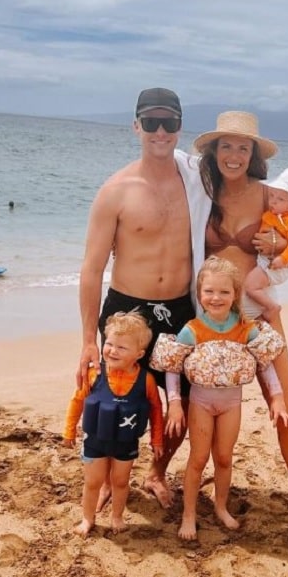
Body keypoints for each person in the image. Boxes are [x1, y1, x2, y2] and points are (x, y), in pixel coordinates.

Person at [194, 110, 288, 531]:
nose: (234, 155)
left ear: (253, 154)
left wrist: (276, 242)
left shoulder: (269, 194)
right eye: (227, 146)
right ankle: (160, 475)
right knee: (195, 404)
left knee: (284, 403)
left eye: (243, 147)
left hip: (255, 311)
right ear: (215, 151)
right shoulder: (201, 191)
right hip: (210, 311)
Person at [77, 87, 208, 511]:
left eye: (168, 122)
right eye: (150, 122)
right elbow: (92, 269)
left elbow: (248, 194)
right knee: (115, 402)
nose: (160, 131)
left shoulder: (197, 185)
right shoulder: (116, 190)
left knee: (179, 402)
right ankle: (107, 485)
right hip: (126, 310)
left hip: (180, 309)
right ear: (136, 126)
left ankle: (156, 473)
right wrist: (85, 341)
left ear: (179, 127)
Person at [152, 256, 288, 540]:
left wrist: (277, 398)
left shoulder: (245, 328)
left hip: (231, 405)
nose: (216, 298)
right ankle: (188, 515)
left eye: (224, 292)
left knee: (225, 458)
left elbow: (265, 364)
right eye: (209, 291)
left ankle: (221, 506)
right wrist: (175, 404)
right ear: (200, 294)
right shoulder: (192, 330)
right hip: (201, 404)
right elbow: (173, 367)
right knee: (198, 458)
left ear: (235, 294)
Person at [63, 311, 164, 535]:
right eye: (109, 344)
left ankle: (117, 517)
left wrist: (157, 440)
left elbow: (156, 410)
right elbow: (77, 401)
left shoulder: (145, 380)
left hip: (125, 443)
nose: (112, 350)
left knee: (120, 482)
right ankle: (87, 519)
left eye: (122, 347)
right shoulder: (93, 374)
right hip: (95, 441)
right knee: (92, 482)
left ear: (139, 354)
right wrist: (69, 431)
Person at [243, 167, 288, 322]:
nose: (273, 201)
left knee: (250, 286)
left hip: (276, 264)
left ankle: (272, 307)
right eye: (272, 196)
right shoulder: (275, 214)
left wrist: (282, 257)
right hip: (266, 261)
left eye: (280, 199)